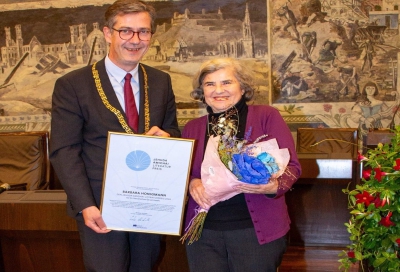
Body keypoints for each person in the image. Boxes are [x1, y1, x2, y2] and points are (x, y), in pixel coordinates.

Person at [49, 1, 180, 271]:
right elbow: (64, 150)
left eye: (143, 32)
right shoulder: (72, 85)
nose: (135, 40)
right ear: (108, 33)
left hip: (149, 202)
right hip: (101, 207)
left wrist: (167, 138)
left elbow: (174, 132)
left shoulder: (160, 81)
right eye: (126, 31)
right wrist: (85, 205)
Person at [182, 58, 301, 271]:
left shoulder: (266, 116)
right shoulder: (192, 127)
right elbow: (184, 173)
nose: (218, 90)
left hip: (254, 233)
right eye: (210, 84)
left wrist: (273, 186)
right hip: (204, 234)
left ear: (243, 87)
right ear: (202, 92)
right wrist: (192, 183)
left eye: (227, 82)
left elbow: (292, 168)